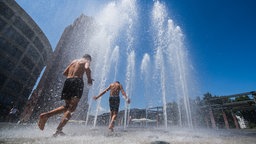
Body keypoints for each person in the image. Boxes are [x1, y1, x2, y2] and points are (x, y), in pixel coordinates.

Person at [38, 54, 93, 137]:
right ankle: (58, 130)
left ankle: (46, 115)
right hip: (77, 82)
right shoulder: (86, 61)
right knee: (72, 108)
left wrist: (73, 75)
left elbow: (65, 73)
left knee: (67, 106)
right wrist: (89, 79)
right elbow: (87, 68)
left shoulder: (74, 61)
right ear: (88, 58)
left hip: (68, 81)